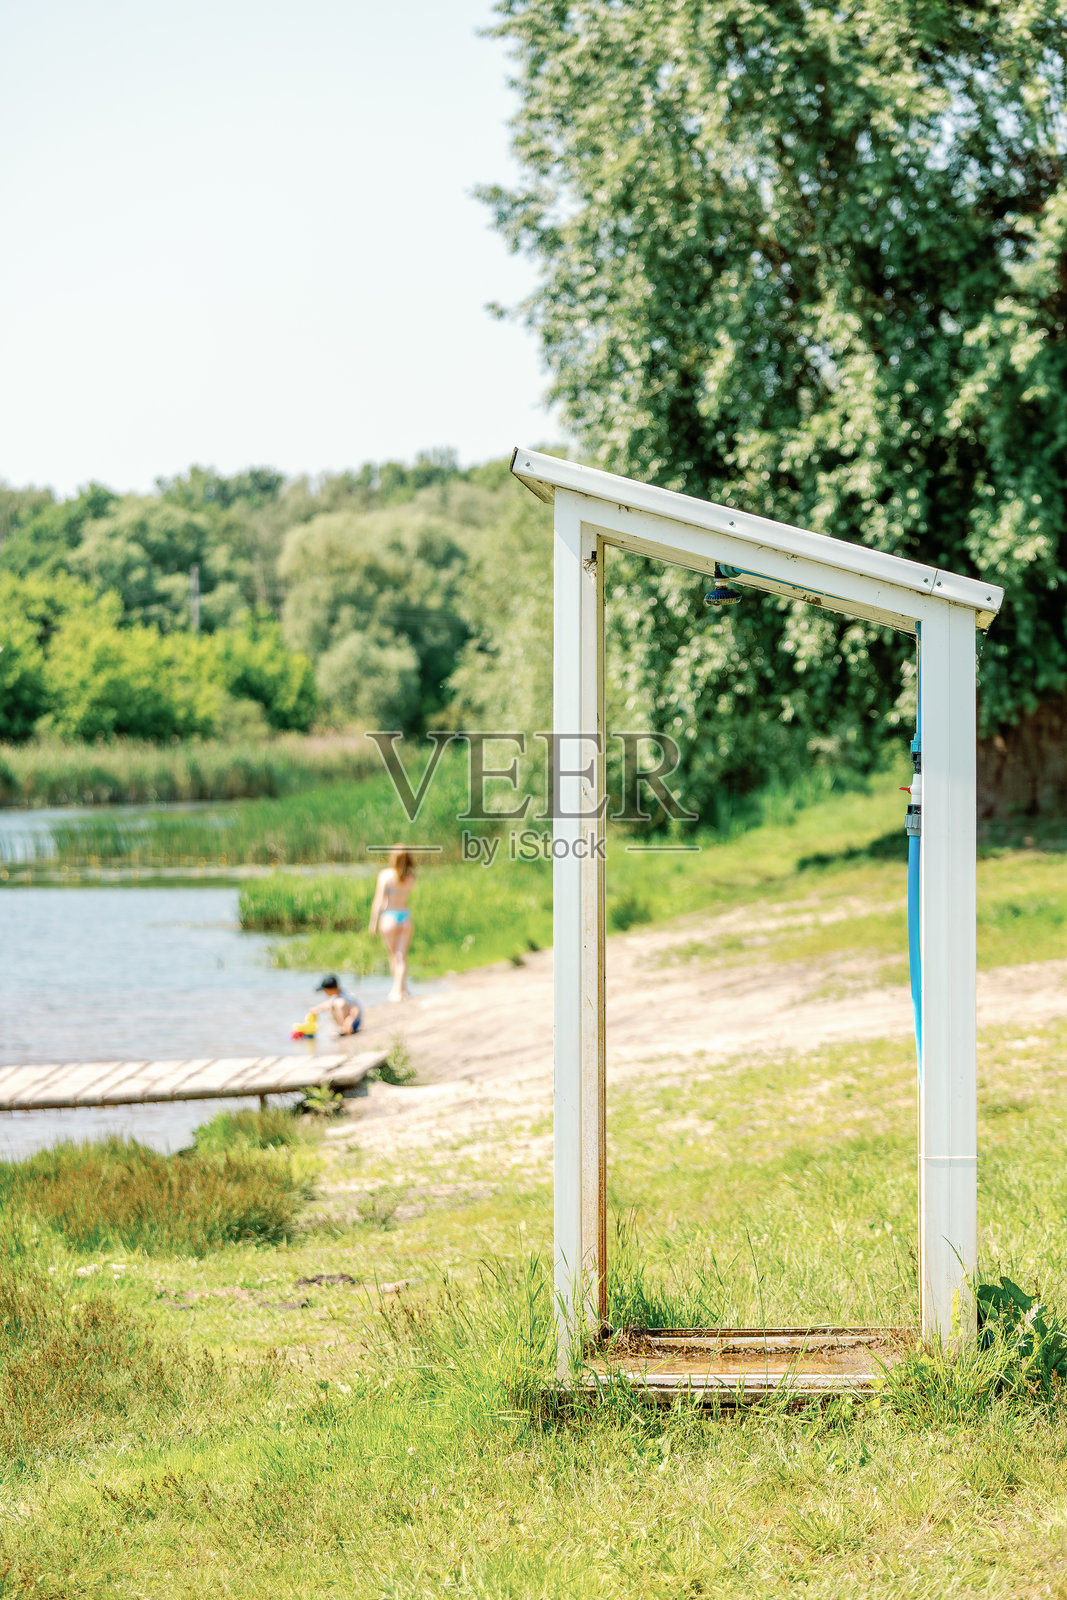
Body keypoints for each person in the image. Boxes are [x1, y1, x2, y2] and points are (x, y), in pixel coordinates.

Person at [369, 845, 415, 1002]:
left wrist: (373, 923)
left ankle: (396, 990)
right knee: (401, 956)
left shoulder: (386, 875)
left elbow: (379, 901)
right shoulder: (410, 877)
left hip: (389, 917)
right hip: (405, 916)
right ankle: (403, 988)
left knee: (393, 955)